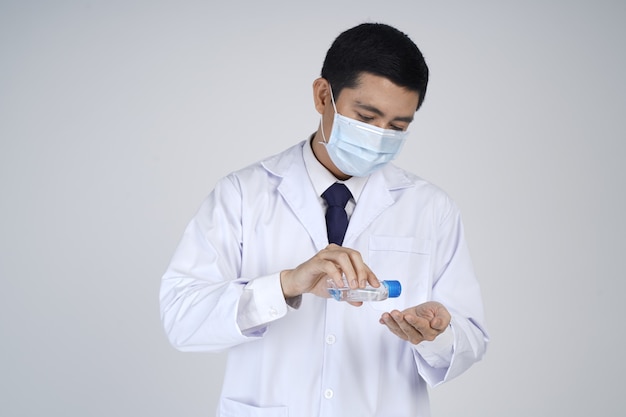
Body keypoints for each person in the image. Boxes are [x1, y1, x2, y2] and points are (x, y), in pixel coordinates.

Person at [160, 22, 488, 417]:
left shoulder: (431, 208)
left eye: (398, 127)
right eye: (366, 118)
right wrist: (284, 286)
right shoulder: (242, 195)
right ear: (322, 96)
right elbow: (181, 319)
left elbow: (469, 337)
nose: (381, 136)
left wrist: (437, 333)